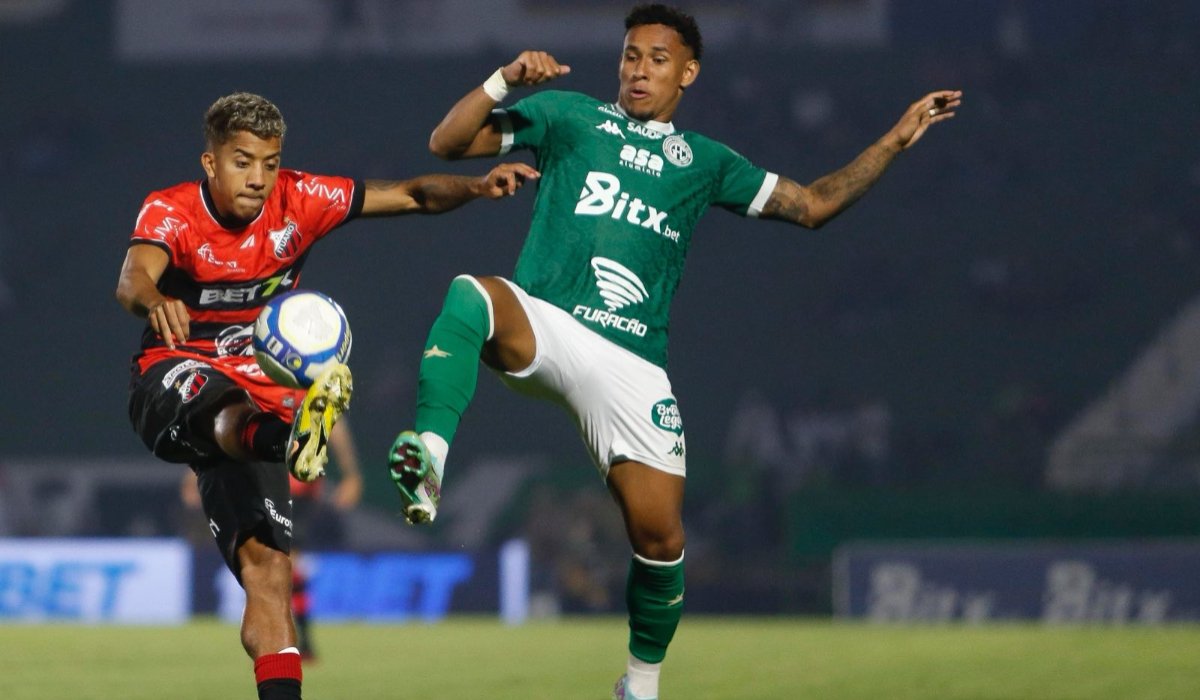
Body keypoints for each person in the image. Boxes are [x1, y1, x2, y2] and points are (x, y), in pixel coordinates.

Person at [386, 4, 961, 699]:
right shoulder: (570, 117)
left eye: (657, 59)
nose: (638, 69)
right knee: (471, 295)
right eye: (631, 55)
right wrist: (504, 80)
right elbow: (448, 143)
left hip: (631, 363)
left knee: (660, 542)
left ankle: (640, 685)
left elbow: (812, 205)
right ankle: (430, 463)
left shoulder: (707, 163)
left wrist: (895, 141)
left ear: (687, 72)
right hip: (548, 322)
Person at [116, 91, 536, 700]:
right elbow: (132, 278)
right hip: (171, 378)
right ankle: (289, 440)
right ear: (211, 163)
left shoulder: (302, 199)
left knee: (270, 577)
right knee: (226, 406)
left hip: (258, 398)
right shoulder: (171, 212)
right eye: (242, 161)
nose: (259, 178)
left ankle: (286, 440)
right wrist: (156, 301)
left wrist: (475, 187)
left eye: (270, 162)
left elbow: (414, 194)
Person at [179, 418, 363, 661]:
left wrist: (351, 473)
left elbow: (333, 422)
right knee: (273, 567)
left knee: (284, 565)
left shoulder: (303, 384)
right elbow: (226, 421)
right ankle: (289, 642)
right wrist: (194, 475)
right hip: (258, 481)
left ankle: (295, 643)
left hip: (297, 490)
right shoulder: (261, 384)